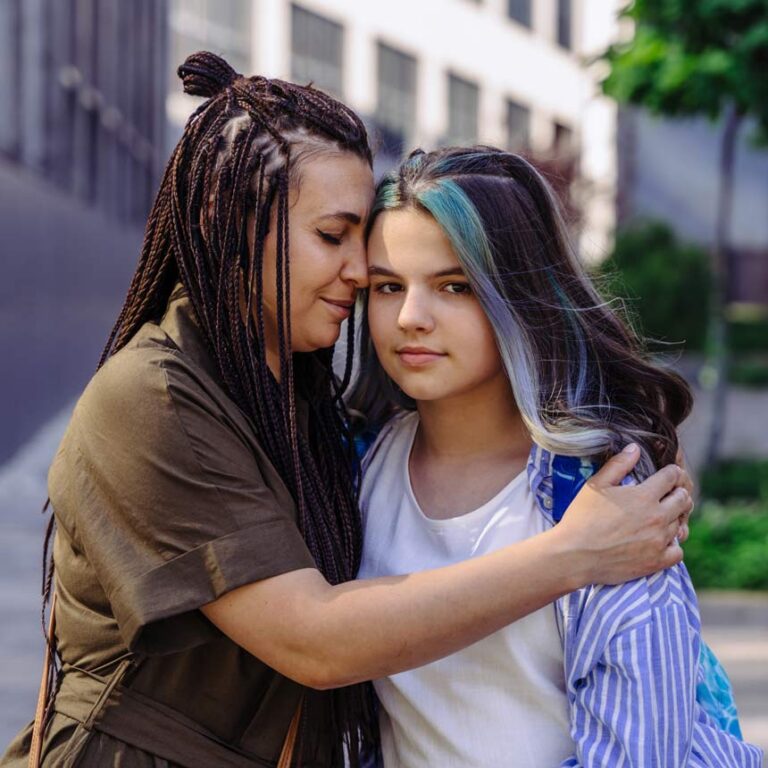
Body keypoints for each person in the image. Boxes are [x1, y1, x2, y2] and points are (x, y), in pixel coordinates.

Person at [2, 55, 693, 768]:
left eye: (451, 286)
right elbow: (317, 640)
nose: (364, 278)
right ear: (228, 223)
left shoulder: (327, 413)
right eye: (336, 239)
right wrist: (571, 555)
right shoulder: (156, 397)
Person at [354, 146, 763, 767]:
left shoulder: (601, 492)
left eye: (455, 286)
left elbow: (639, 754)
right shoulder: (361, 462)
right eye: (388, 286)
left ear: (517, 296)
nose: (410, 317)